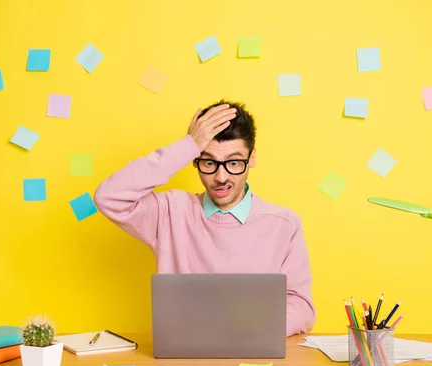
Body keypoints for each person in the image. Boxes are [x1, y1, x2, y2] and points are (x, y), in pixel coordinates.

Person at [94, 100, 315, 336]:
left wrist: (246, 330)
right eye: (209, 162)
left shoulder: (284, 224)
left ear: (251, 159)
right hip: (182, 363)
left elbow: (301, 307)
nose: (221, 177)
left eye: (233, 162)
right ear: (195, 159)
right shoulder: (169, 211)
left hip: (254, 355)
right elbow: (108, 196)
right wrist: (187, 145)